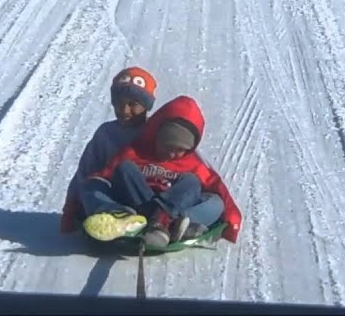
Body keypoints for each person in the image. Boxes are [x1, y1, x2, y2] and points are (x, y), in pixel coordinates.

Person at [79, 95, 242, 249]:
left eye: (180, 150)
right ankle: (121, 217)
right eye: (167, 146)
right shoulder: (136, 152)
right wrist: (87, 200)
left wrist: (232, 221)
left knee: (205, 194)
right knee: (110, 175)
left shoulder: (192, 163)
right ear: (156, 138)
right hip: (136, 204)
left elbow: (216, 185)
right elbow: (105, 176)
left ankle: (164, 221)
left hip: (174, 207)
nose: (172, 154)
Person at [59, 66, 158, 234]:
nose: (125, 110)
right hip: (112, 196)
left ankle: (157, 219)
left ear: (146, 105)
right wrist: (69, 210)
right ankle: (118, 216)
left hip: (146, 196)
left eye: (133, 104)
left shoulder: (157, 131)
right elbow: (84, 172)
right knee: (90, 186)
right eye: (119, 104)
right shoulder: (105, 134)